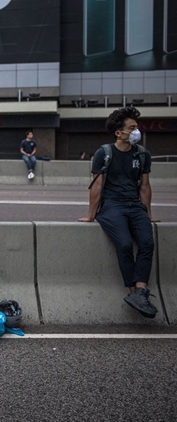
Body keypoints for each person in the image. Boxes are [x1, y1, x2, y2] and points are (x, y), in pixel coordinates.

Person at [78, 107, 159, 318]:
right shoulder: (103, 154)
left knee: (147, 243)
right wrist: (90, 214)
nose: (136, 131)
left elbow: (145, 187)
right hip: (111, 206)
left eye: (136, 127)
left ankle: (140, 291)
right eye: (132, 128)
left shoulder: (142, 155)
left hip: (134, 205)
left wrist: (148, 213)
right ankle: (133, 292)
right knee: (124, 244)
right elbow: (96, 186)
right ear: (118, 132)